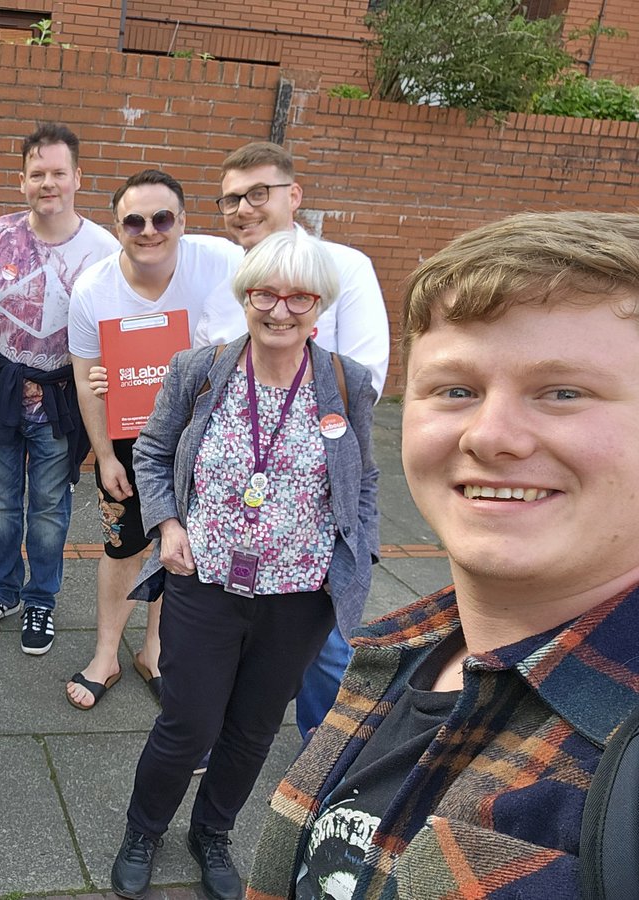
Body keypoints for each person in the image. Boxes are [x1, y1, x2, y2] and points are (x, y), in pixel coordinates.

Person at [245, 211, 639, 900]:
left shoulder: (614, 788)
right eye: (456, 390)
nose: (491, 436)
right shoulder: (404, 648)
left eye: (564, 392)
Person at [110, 228, 378, 900]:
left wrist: (360, 554)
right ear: (246, 294)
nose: (281, 310)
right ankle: (143, 829)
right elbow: (151, 453)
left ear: (320, 305)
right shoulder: (199, 370)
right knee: (188, 722)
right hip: (206, 580)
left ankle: (214, 833)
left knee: (254, 729)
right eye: (266, 292)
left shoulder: (348, 382)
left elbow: (365, 479)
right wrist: (169, 522)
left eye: (300, 297)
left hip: (300, 596)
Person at [196, 141, 390, 738]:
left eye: (258, 193)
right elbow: (193, 373)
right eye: (231, 198)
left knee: (322, 645)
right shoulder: (226, 277)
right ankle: (220, 738)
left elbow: (367, 378)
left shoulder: (344, 266)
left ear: (294, 195)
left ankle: (321, 763)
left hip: (309, 500)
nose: (242, 208)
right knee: (225, 637)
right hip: (230, 505)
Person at [66, 169, 242, 709]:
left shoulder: (224, 265)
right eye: (134, 221)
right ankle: (105, 655)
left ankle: (155, 652)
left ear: (183, 222)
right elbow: (85, 378)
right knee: (122, 547)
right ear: (117, 227)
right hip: (125, 438)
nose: (149, 230)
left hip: (198, 438)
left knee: (178, 548)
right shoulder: (94, 288)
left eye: (162, 218)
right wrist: (102, 456)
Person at [0, 123, 118, 655]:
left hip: (61, 399)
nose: (47, 183)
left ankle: (42, 600)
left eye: (57, 173)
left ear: (77, 177)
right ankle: (0, 591)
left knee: (50, 506)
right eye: (36, 174)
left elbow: (111, 327)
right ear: (22, 180)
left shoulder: (103, 249)